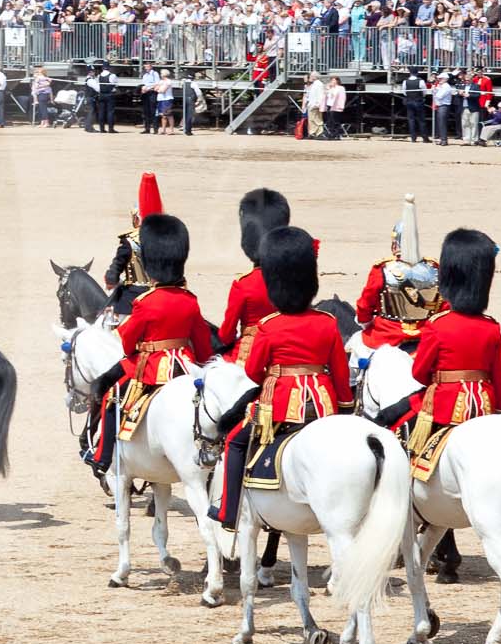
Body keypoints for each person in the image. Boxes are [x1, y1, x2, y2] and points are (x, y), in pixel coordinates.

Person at [213, 227, 351, 530]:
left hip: (280, 404)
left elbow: (251, 371)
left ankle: (229, 512)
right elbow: (340, 372)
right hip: (323, 403)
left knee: (235, 442)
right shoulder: (327, 323)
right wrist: (346, 405)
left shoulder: (268, 326)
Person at [83, 212, 213, 484]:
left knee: (111, 399)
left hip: (151, 367)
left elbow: (127, 343)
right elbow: (202, 346)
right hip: (186, 365)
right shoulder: (190, 300)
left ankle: (103, 456)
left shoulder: (145, 301)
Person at [398, 230, 501, 485]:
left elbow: (419, 374)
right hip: (484, 405)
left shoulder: (438, 325)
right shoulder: (491, 327)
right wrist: (500, 412)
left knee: (394, 425)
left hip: (445, 406)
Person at [355, 194, 442, 351]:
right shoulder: (435, 268)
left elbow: (365, 304)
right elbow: (444, 307)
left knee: (355, 349)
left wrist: (365, 322)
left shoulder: (382, 269)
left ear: (395, 245)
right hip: (425, 335)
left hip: (386, 335)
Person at [217, 187, 290, 366]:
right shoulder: (291, 277)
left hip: (249, 357)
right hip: (287, 351)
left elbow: (226, 335)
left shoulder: (244, 284)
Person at [102, 172, 161, 313]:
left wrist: (111, 279)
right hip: (164, 294)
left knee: (109, 323)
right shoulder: (169, 238)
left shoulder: (129, 240)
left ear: (136, 218)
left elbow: (116, 268)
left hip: (135, 295)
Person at [402, 68, 430, 144]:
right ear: (417, 73)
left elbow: (404, 92)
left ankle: (413, 138)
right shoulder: (421, 81)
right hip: (418, 101)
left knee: (411, 120)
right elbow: (424, 92)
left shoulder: (405, 81)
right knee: (421, 120)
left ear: (410, 73)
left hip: (409, 101)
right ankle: (425, 138)